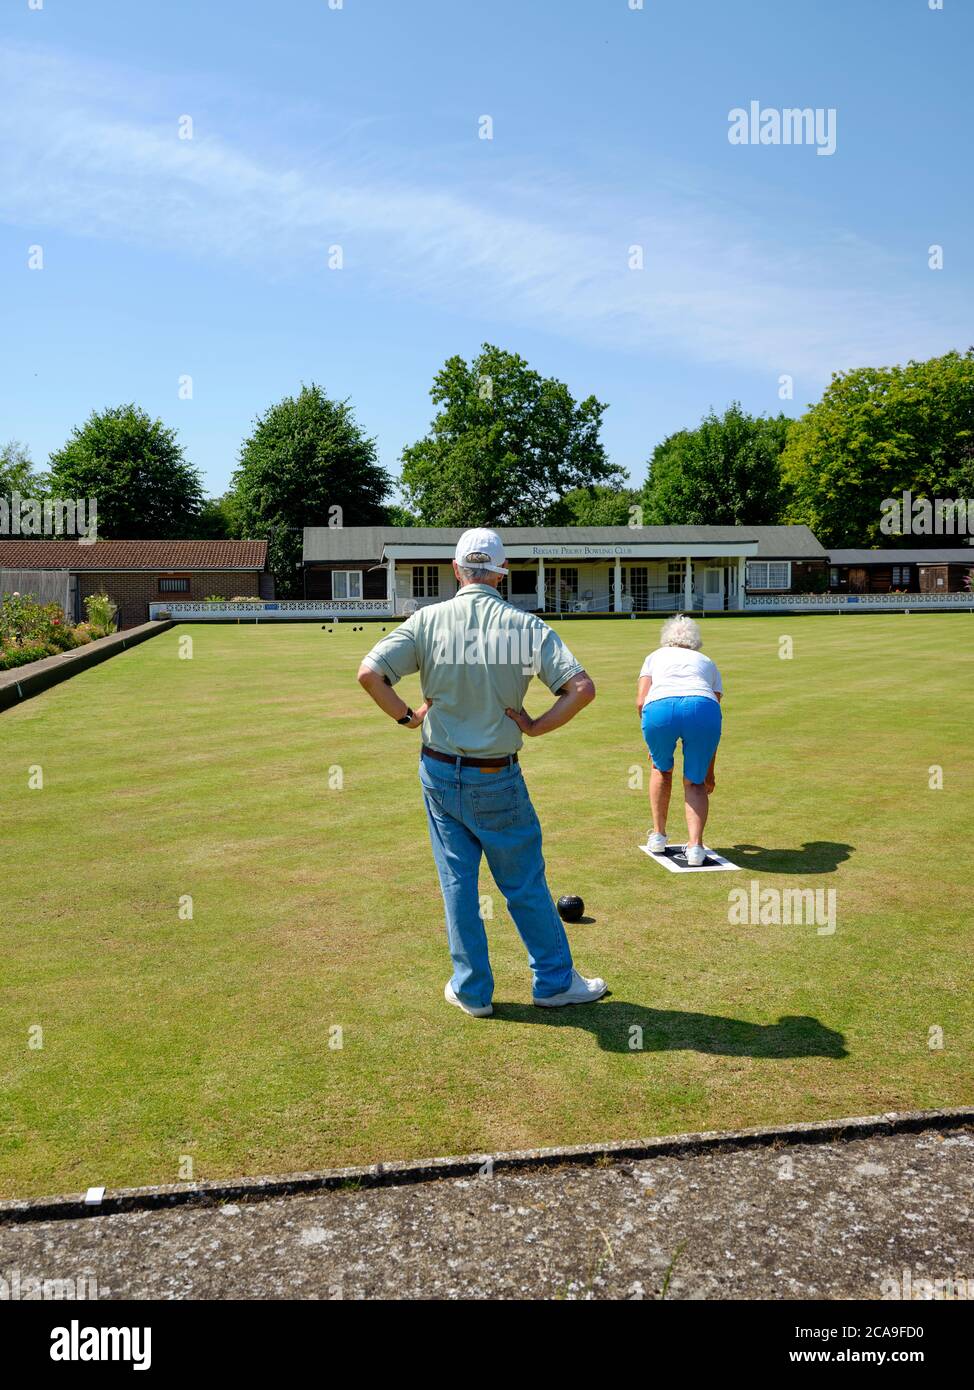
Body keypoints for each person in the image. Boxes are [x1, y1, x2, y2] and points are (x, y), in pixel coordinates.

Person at [357, 527, 607, 1017]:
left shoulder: (426, 620)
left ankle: (472, 992)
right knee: (524, 884)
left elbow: (369, 673)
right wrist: (534, 727)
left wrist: (409, 718)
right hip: (496, 774)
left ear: (456, 570)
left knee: (457, 884)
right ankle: (554, 983)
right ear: (500, 572)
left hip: (438, 770)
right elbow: (581, 689)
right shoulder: (526, 625)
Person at [637, 613, 723, 867]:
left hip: (660, 709)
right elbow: (712, 708)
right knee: (695, 782)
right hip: (702, 708)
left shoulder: (654, 656)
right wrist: (709, 770)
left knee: (660, 769)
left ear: (667, 639)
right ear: (695, 642)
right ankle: (696, 848)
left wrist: (652, 745)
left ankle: (658, 836)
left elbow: (641, 701)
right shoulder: (707, 661)